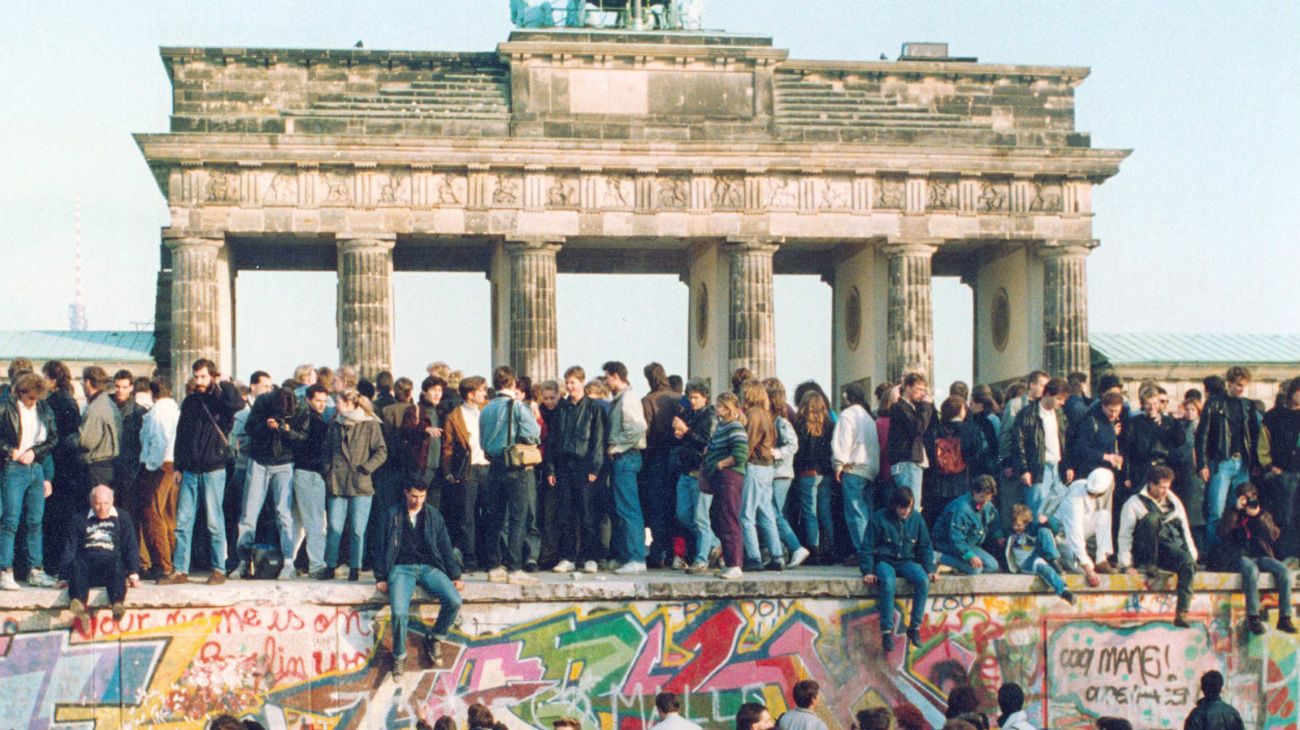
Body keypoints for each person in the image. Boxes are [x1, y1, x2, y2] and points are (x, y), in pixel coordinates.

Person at [164, 358, 244, 585]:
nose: (199, 381)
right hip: (190, 469)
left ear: (212, 376)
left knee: (214, 521)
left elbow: (236, 405)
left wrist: (225, 384)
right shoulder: (190, 402)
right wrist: (178, 465)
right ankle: (180, 570)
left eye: (203, 376)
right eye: (196, 376)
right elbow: (181, 435)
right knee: (183, 522)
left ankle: (219, 568)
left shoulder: (221, 400)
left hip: (213, 468)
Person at [374, 481, 463, 680]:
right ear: (406, 493)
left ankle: (435, 638)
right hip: (401, 569)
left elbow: (445, 546)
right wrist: (380, 576)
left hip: (428, 568)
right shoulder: (392, 514)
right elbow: (379, 545)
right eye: (414, 496)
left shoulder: (433, 515)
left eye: (422, 496)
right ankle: (399, 656)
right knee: (398, 612)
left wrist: (455, 575)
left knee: (455, 600)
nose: (418, 500)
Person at [478, 366, 542, 585]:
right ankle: (514, 568)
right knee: (518, 517)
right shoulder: (518, 406)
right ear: (513, 383)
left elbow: (482, 441)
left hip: (493, 466)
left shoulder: (485, 409)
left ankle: (494, 566)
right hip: (515, 466)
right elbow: (534, 433)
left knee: (494, 518)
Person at [1117, 465, 1198, 627]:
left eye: (1167, 487)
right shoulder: (1133, 503)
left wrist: (1192, 555)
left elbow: (1184, 529)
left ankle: (1182, 612)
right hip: (1145, 547)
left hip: (1166, 546)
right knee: (1152, 518)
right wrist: (1125, 564)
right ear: (1151, 484)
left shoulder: (1174, 502)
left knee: (1188, 561)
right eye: (1161, 487)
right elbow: (1125, 535)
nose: (1164, 491)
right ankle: (1150, 564)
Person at [0, 372, 60, 589]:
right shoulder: (6, 408)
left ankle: (36, 569)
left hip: (36, 467)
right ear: (21, 392)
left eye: (37, 397)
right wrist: (10, 451)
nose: (33, 401)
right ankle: (5, 570)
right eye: (30, 397)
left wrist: (35, 452)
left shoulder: (43, 409)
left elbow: (53, 438)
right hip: (13, 468)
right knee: (10, 520)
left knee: (35, 521)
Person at [547, 366, 609, 574]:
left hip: (585, 466)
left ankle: (590, 556)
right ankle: (568, 557)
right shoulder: (561, 409)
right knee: (566, 512)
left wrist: (595, 467)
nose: (570, 386)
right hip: (564, 465)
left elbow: (598, 440)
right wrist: (551, 469)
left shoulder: (594, 408)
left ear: (582, 382)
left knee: (587, 512)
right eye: (568, 382)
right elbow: (552, 441)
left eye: (573, 382)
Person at [861, 487, 936, 652]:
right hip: (885, 561)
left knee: (923, 580)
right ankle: (887, 631)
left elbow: (925, 546)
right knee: (888, 583)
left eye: (908, 507)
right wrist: (868, 571)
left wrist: (930, 568)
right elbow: (867, 547)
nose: (905, 511)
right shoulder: (879, 518)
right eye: (902, 507)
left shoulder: (916, 518)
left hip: (906, 561)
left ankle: (914, 627)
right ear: (894, 505)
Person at [324, 388, 387, 581]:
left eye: (340, 402)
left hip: (360, 482)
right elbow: (326, 451)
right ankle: (330, 565)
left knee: (358, 529)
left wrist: (367, 468)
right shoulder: (335, 424)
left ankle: (355, 567)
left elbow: (381, 451)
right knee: (334, 527)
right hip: (337, 482)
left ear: (350, 403)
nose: (336, 405)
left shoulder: (370, 425)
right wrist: (328, 471)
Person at [1216, 482, 1296, 634]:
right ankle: (1253, 617)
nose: (1248, 502)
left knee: (1284, 571)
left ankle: (1285, 618)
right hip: (1239, 555)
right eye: (1244, 498)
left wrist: (1258, 516)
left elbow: (1274, 535)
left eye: (1250, 498)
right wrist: (1235, 510)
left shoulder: (1263, 513)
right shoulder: (1232, 512)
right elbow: (1223, 533)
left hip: (1261, 555)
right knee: (1251, 571)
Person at [235, 385, 298, 579]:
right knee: (249, 513)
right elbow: (249, 429)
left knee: (283, 513)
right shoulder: (262, 403)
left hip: (284, 462)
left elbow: (301, 437)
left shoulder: (298, 406)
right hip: (260, 460)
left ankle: (289, 562)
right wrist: (265, 425)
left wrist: (287, 430)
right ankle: (243, 561)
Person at [1197, 366, 1260, 551]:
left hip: (1243, 463)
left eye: (1244, 386)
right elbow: (1202, 435)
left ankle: (1235, 550)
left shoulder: (1248, 405)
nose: (1241, 389)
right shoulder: (1214, 403)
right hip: (1222, 461)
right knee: (1216, 510)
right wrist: (1202, 463)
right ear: (1229, 383)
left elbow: (1254, 437)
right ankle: (1212, 553)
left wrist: (1254, 462)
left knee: (1240, 507)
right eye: (1239, 385)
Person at [59, 484, 140, 621]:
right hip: (87, 568)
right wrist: (63, 576)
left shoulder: (122, 517)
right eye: (97, 504)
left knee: (117, 564)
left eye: (106, 503)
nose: (102, 508)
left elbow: (130, 545)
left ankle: (117, 604)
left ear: (112, 501)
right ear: (91, 502)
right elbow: (70, 548)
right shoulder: (79, 519)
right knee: (77, 563)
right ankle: (79, 603)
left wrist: (134, 573)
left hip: (110, 567)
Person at [604, 361, 648, 575]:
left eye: (607, 377)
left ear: (615, 376)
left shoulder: (627, 398)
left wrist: (617, 446)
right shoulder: (621, 399)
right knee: (622, 507)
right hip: (624, 457)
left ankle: (636, 557)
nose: (605, 381)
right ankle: (628, 555)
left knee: (628, 508)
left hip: (626, 456)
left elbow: (638, 427)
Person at [442, 375, 490, 572]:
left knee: (489, 514)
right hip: (467, 470)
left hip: (488, 467)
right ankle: (470, 559)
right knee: (466, 517)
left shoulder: (488, 409)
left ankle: (489, 558)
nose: (484, 393)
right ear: (471, 394)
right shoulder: (454, 416)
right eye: (481, 390)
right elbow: (447, 447)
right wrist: (448, 472)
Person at [671, 379, 718, 575]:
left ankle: (701, 559)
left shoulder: (710, 416)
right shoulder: (690, 413)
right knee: (684, 514)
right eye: (690, 397)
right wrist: (681, 433)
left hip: (701, 472)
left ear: (705, 398)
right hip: (686, 471)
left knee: (700, 518)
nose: (692, 401)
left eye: (696, 397)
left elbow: (706, 443)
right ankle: (715, 543)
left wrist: (687, 431)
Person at [135, 376, 179, 581]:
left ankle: (162, 563)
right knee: (168, 515)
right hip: (173, 465)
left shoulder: (158, 411)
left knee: (152, 514)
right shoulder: (175, 409)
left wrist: (151, 466)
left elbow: (158, 440)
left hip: (159, 466)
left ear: (153, 392)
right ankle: (170, 560)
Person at [1011, 376, 1073, 519]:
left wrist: (1067, 465)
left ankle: (1049, 540)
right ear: (1047, 394)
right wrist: (1024, 470)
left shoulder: (1060, 414)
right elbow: (1018, 444)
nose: (1062, 403)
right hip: (1038, 468)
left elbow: (1065, 442)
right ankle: (1034, 540)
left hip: (1057, 468)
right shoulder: (1026, 414)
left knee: (1057, 511)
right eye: (1059, 399)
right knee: (1036, 511)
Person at [701, 392, 748, 579]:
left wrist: (721, 463)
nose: (716, 408)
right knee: (716, 516)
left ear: (727, 408)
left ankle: (735, 563)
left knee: (728, 518)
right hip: (720, 478)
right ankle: (729, 558)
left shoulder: (735, 427)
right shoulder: (721, 426)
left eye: (719, 406)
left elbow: (740, 454)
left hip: (730, 477)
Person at [832, 382, 881, 559]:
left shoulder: (847, 415)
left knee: (855, 513)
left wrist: (838, 463)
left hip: (853, 468)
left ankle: (863, 551)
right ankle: (870, 548)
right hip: (870, 468)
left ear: (847, 397)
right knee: (866, 512)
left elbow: (844, 441)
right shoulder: (868, 417)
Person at [765, 378, 809, 568]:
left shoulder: (781, 422)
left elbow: (793, 444)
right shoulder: (775, 420)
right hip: (775, 473)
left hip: (780, 473)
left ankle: (795, 547)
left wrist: (776, 453)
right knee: (775, 512)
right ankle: (782, 550)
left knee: (774, 513)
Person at [641, 362, 681, 569]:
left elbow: (645, 432)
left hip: (656, 459)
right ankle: (675, 552)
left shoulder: (649, 400)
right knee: (673, 507)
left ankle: (657, 552)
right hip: (677, 458)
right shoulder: (678, 399)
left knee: (656, 509)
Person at [740, 381, 783, 571]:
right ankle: (777, 556)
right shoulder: (766, 414)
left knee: (746, 515)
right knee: (766, 513)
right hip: (767, 467)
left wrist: (736, 462)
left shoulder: (753, 414)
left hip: (754, 466)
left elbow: (747, 444)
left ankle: (754, 557)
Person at [291, 384, 332, 579]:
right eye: (318, 400)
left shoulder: (300, 418)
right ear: (308, 399)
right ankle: (316, 564)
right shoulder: (316, 422)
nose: (322, 404)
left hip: (300, 471)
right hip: (312, 474)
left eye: (324, 401)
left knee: (297, 522)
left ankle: (288, 563)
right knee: (316, 521)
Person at [1258, 378, 1300, 560]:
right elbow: (1262, 445)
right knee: (1283, 516)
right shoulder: (1273, 416)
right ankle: (1283, 555)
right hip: (1281, 475)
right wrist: (1270, 466)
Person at [1053, 468, 1117, 586]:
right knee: (1083, 572)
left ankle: (1101, 559)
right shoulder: (1073, 501)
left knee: (1104, 515)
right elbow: (1075, 534)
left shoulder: (1083, 484)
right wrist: (1089, 570)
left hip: (1075, 533)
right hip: (1061, 541)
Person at [793, 389, 834, 564]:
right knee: (825, 512)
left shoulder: (801, 424)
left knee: (810, 512)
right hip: (825, 473)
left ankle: (814, 549)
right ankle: (829, 548)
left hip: (806, 473)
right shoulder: (829, 424)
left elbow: (799, 452)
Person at [932, 475, 1003, 575]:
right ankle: (938, 557)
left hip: (969, 543)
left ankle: (955, 566)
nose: (985, 502)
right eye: (982, 497)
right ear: (974, 492)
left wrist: (999, 536)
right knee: (975, 570)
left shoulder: (986, 504)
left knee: (992, 566)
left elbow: (994, 520)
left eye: (988, 499)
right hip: (948, 543)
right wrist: (970, 556)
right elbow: (956, 538)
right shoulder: (961, 508)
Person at [1007, 504, 1074, 603]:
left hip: (1037, 554)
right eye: (1014, 525)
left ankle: (1054, 561)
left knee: (1044, 531)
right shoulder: (1011, 534)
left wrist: (1047, 521)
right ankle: (1063, 591)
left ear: (1026, 524)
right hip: (1027, 562)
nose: (1015, 527)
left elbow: (1052, 529)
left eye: (1019, 525)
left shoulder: (1031, 529)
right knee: (1045, 570)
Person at [887, 373, 935, 511]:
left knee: (910, 507)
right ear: (908, 387)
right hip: (907, 463)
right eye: (919, 389)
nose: (923, 394)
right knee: (910, 508)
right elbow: (919, 427)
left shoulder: (912, 408)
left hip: (911, 463)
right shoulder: (900, 407)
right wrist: (926, 405)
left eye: (924, 390)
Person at [78, 366, 123, 500]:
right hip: (110, 464)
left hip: (97, 467)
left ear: (87, 382)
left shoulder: (95, 408)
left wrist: (72, 439)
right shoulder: (109, 403)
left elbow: (86, 442)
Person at [926, 395, 970, 520]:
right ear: (961, 410)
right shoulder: (971, 430)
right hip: (963, 482)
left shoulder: (934, 431)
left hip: (938, 485)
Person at [110, 369, 147, 500]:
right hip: (109, 464)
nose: (120, 390)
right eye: (118, 386)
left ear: (131, 387)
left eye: (124, 387)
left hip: (129, 468)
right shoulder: (106, 406)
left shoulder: (139, 412)